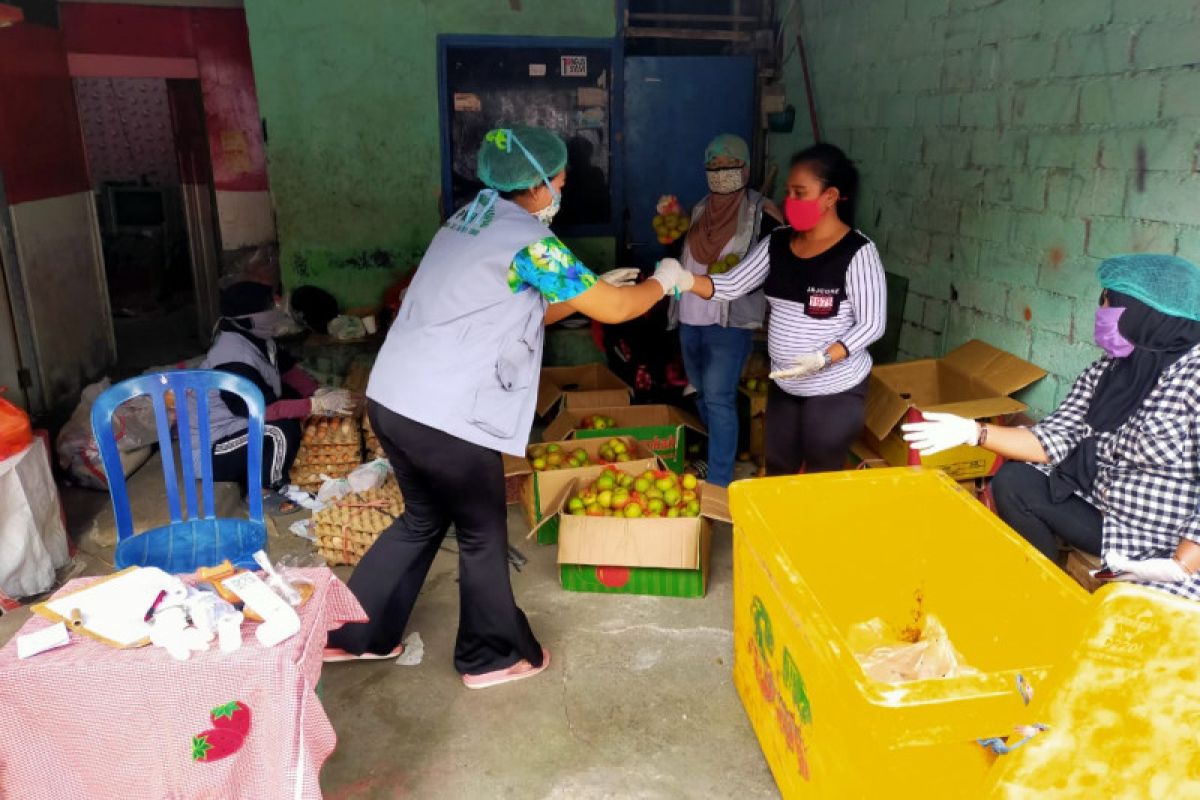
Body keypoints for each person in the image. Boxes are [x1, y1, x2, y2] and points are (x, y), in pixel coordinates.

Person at [324, 126, 689, 687]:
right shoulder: (532, 242)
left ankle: (353, 633)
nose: (564, 185)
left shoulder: (466, 221)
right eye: (561, 178)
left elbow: (505, 313)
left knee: (423, 518)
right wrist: (665, 281)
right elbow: (617, 310)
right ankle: (491, 655)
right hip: (446, 416)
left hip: (393, 401)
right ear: (538, 185)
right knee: (480, 531)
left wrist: (578, 296)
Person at [903, 254, 1200, 599]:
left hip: (1167, 544)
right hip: (1112, 521)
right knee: (1014, 481)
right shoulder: (1108, 371)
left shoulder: (1193, 378)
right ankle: (1044, 594)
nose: (1100, 312)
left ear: (1139, 311)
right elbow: (1052, 439)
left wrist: (1182, 562)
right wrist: (974, 432)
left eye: (1108, 302)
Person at [671, 143, 886, 475]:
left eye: (800, 193)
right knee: (778, 468)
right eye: (789, 192)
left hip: (835, 389)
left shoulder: (857, 251)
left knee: (821, 472)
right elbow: (730, 284)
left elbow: (872, 324)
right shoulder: (778, 244)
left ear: (830, 196)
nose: (790, 202)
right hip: (786, 385)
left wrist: (824, 357)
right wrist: (684, 279)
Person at [670, 134, 783, 486]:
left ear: (745, 168)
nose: (721, 172)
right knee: (702, 394)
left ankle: (719, 482)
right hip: (689, 316)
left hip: (728, 322)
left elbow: (776, 260)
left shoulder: (760, 210)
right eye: (714, 166)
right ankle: (723, 450)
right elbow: (687, 255)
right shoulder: (702, 208)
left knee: (718, 399)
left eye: (729, 164)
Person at [194, 281, 353, 493]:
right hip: (214, 450)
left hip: (239, 428)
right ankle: (267, 489)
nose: (276, 309)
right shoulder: (233, 358)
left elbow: (288, 371)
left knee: (291, 401)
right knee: (281, 430)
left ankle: (262, 472)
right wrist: (315, 405)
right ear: (250, 318)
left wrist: (317, 392)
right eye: (269, 305)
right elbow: (263, 410)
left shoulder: (258, 338)